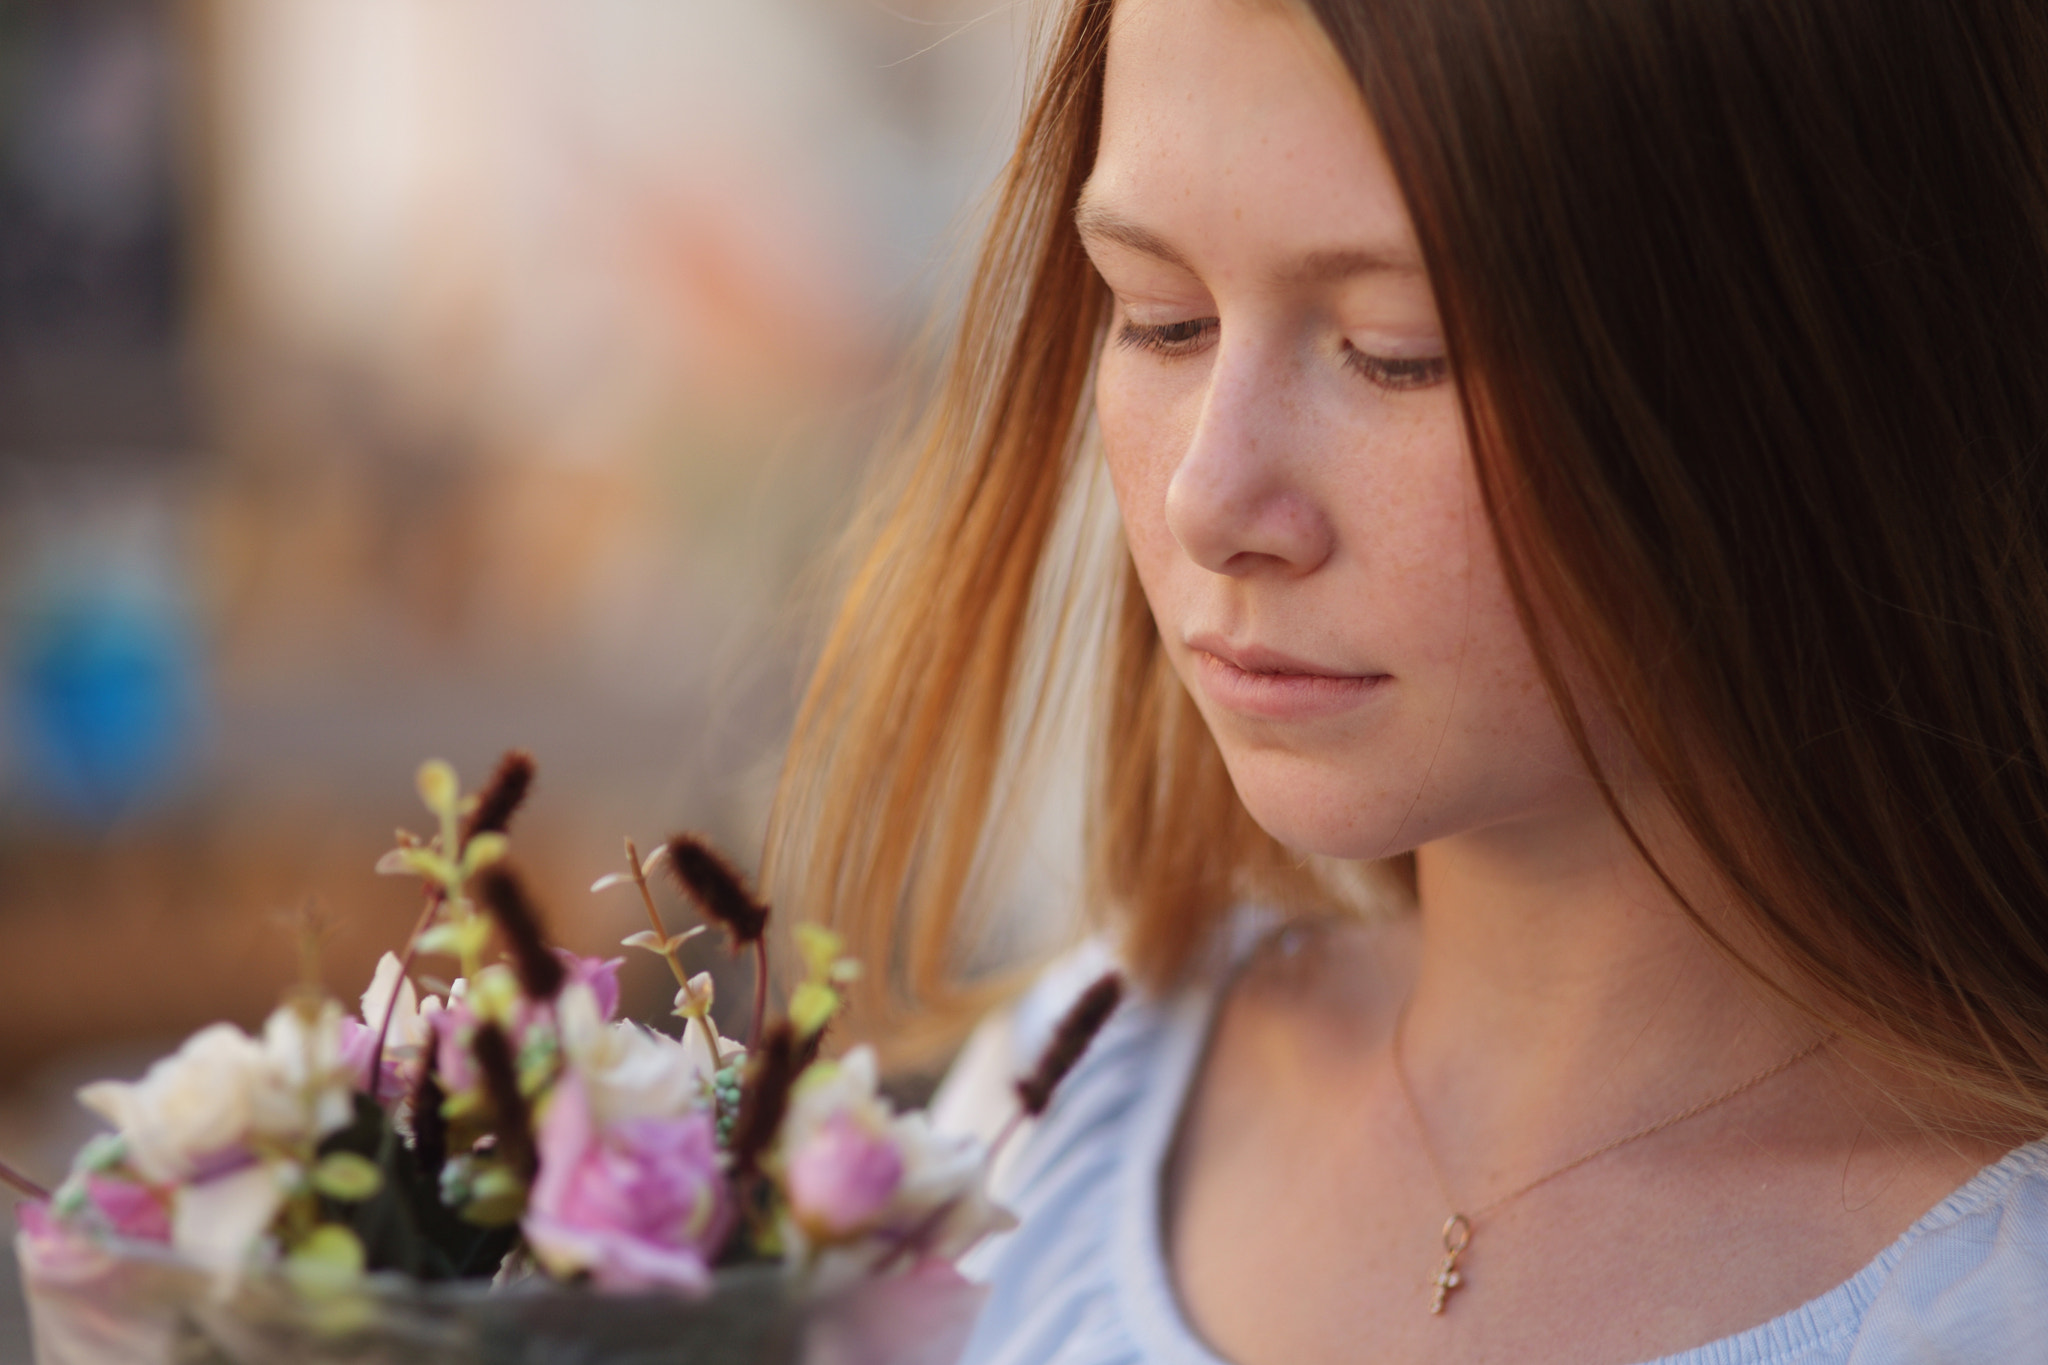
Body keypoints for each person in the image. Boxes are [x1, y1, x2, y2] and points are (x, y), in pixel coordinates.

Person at [764, 0, 2048, 1360]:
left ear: (1830, 363)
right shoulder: (1077, 1098)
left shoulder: (1980, 1301)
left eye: (1398, 349)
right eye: (1162, 319)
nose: (1213, 496)